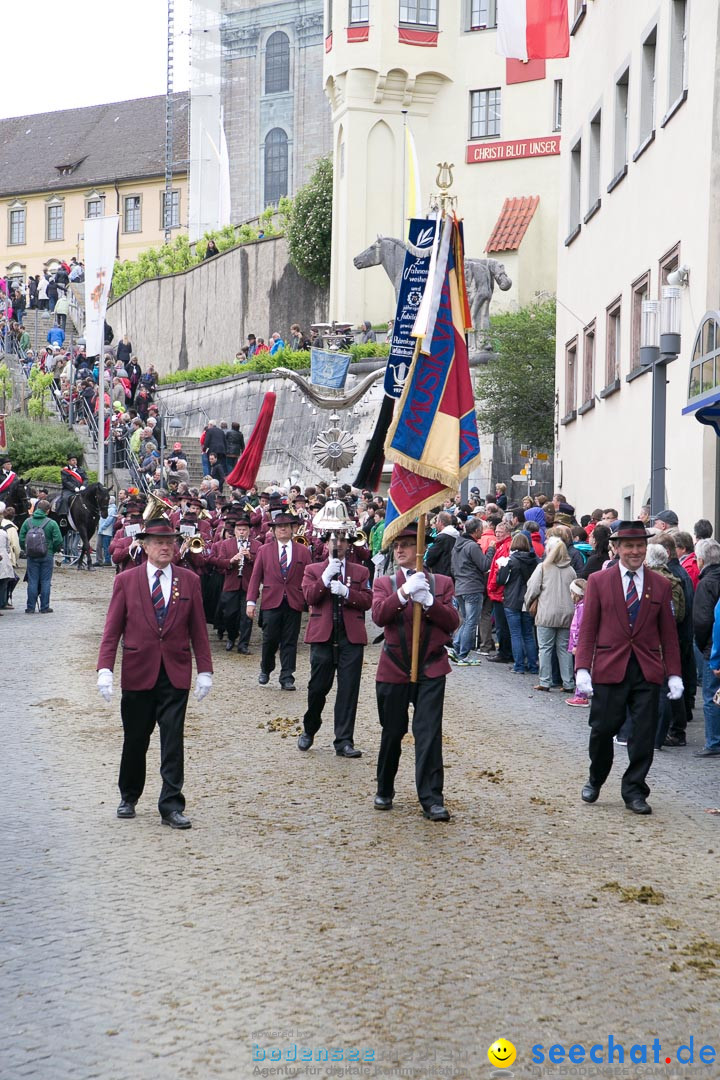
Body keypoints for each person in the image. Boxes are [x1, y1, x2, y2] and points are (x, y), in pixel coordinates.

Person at [96, 517, 213, 829]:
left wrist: (205, 670)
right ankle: (129, 795)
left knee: (172, 740)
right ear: (145, 546)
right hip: (138, 672)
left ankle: (171, 805)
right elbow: (112, 630)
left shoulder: (189, 580)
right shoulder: (126, 580)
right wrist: (105, 668)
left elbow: (198, 629)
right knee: (136, 739)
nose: (166, 547)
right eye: (159, 542)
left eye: (170, 542)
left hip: (175, 673)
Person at [575, 521, 683, 814]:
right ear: (617, 548)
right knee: (602, 730)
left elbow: (669, 635)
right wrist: (582, 667)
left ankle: (635, 790)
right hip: (610, 668)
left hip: (647, 670)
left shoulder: (660, 584)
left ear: (646, 548)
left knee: (644, 734)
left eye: (640, 546)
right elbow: (588, 628)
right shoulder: (599, 581)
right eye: (629, 546)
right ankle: (596, 778)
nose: (635, 552)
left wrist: (674, 673)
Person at [372, 522, 459, 821]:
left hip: (431, 666)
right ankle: (384, 788)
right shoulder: (385, 583)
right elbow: (379, 615)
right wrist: (404, 594)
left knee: (428, 734)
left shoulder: (443, 583)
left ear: (421, 549)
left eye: (407, 544)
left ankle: (432, 798)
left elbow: (452, 622)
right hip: (394, 666)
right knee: (392, 731)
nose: (399, 549)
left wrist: (430, 602)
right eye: (397, 545)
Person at [297, 528, 372, 757]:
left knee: (349, 690)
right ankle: (310, 728)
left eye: (342, 540)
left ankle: (344, 741)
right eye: (333, 540)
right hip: (323, 635)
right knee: (317, 688)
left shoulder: (361, 571)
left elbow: (368, 601)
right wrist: (325, 577)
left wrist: (347, 592)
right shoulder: (313, 569)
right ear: (325, 544)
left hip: (350, 636)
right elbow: (309, 597)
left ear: (349, 544)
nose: (337, 544)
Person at [246, 512, 312, 689]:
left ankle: (287, 676)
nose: (282, 529)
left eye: (286, 526)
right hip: (271, 601)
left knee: (290, 640)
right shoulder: (264, 550)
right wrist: (251, 601)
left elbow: (308, 579)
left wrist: (312, 603)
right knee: (270, 639)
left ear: (293, 529)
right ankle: (266, 668)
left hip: (293, 601)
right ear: (273, 531)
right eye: (278, 527)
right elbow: (255, 577)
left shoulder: (303, 551)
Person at [524, 536, 577, 692]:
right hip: (567, 614)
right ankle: (568, 682)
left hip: (546, 613)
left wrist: (528, 605)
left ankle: (545, 681)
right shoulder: (571, 570)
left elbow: (532, 589)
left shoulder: (543, 567)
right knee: (564, 649)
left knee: (545, 648)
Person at [210, 515, 260, 653]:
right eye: (239, 530)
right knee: (229, 615)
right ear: (235, 531)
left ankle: (243, 645)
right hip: (231, 584)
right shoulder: (226, 544)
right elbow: (219, 562)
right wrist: (231, 561)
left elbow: (262, 564)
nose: (242, 532)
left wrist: (250, 557)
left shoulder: (257, 545)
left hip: (249, 585)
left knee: (247, 616)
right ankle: (232, 636)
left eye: (244, 529)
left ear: (249, 531)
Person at [449, 518, 494, 665]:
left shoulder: (458, 545)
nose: (483, 531)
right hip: (472, 588)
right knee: (471, 622)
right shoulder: (472, 546)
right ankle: (463, 654)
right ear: (475, 531)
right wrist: (491, 549)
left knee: (466, 620)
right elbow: (484, 564)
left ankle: (456, 648)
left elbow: (453, 569)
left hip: (460, 587)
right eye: (481, 529)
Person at [692, 538, 720, 757]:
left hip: (713, 647)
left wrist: (704, 647)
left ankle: (714, 742)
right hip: (713, 644)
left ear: (701, 560)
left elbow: (702, 621)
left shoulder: (706, 583)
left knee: (711, 697)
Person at [496, 533, 540, 675]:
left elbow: (501, 581)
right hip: (528, 599)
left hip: (512, 599)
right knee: (528, 634)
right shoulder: (535, 561)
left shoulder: (510, 560)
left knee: (515, 634)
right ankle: (533, 665)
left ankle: (519, 665)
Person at [18, 499, 64, 613]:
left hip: (32, 556)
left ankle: (30, 607)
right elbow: (58, 540)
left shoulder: (27, 522)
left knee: (32, 581)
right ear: (47, 511)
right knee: (45, 581)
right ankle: (44, 607)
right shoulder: (52, 523)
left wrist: (26, 549)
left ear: (37, 508)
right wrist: (52, 550)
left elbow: (21, 538)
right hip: (47, 555)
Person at [566, 578, 589, 706]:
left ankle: (581, 695)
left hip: (579, 643)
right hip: (579, 642)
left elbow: (580, 627)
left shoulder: (582, 608)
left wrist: (575, 644)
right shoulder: (582, 606)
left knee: (579, 668)